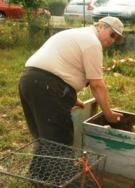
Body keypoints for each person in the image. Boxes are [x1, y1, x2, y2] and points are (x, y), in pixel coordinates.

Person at [18, 16, 124, 146]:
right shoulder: (92, 42)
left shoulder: (77, 34)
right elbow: (96, 85)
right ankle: (60, 166)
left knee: (44, 143)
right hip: (47, 86)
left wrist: (70, 98)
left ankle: (43, 166)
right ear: (100, 26)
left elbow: (63, 66)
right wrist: (108, 114)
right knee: (59, 144)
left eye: (116, 38)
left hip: (29, 80)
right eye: (112, 35)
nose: (112, 40)